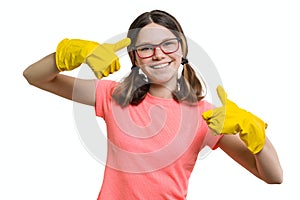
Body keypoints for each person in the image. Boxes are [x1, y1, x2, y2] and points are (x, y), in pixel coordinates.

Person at [23, 10, 282, 200]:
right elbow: (34, 76)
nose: (159, 54)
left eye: (168, 44)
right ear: (135, 57)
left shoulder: (207, 116)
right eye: (146, 48)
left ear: (182, 49)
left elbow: (273, 176)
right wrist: (66, 55)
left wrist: (255, 132)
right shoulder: (115, 96)